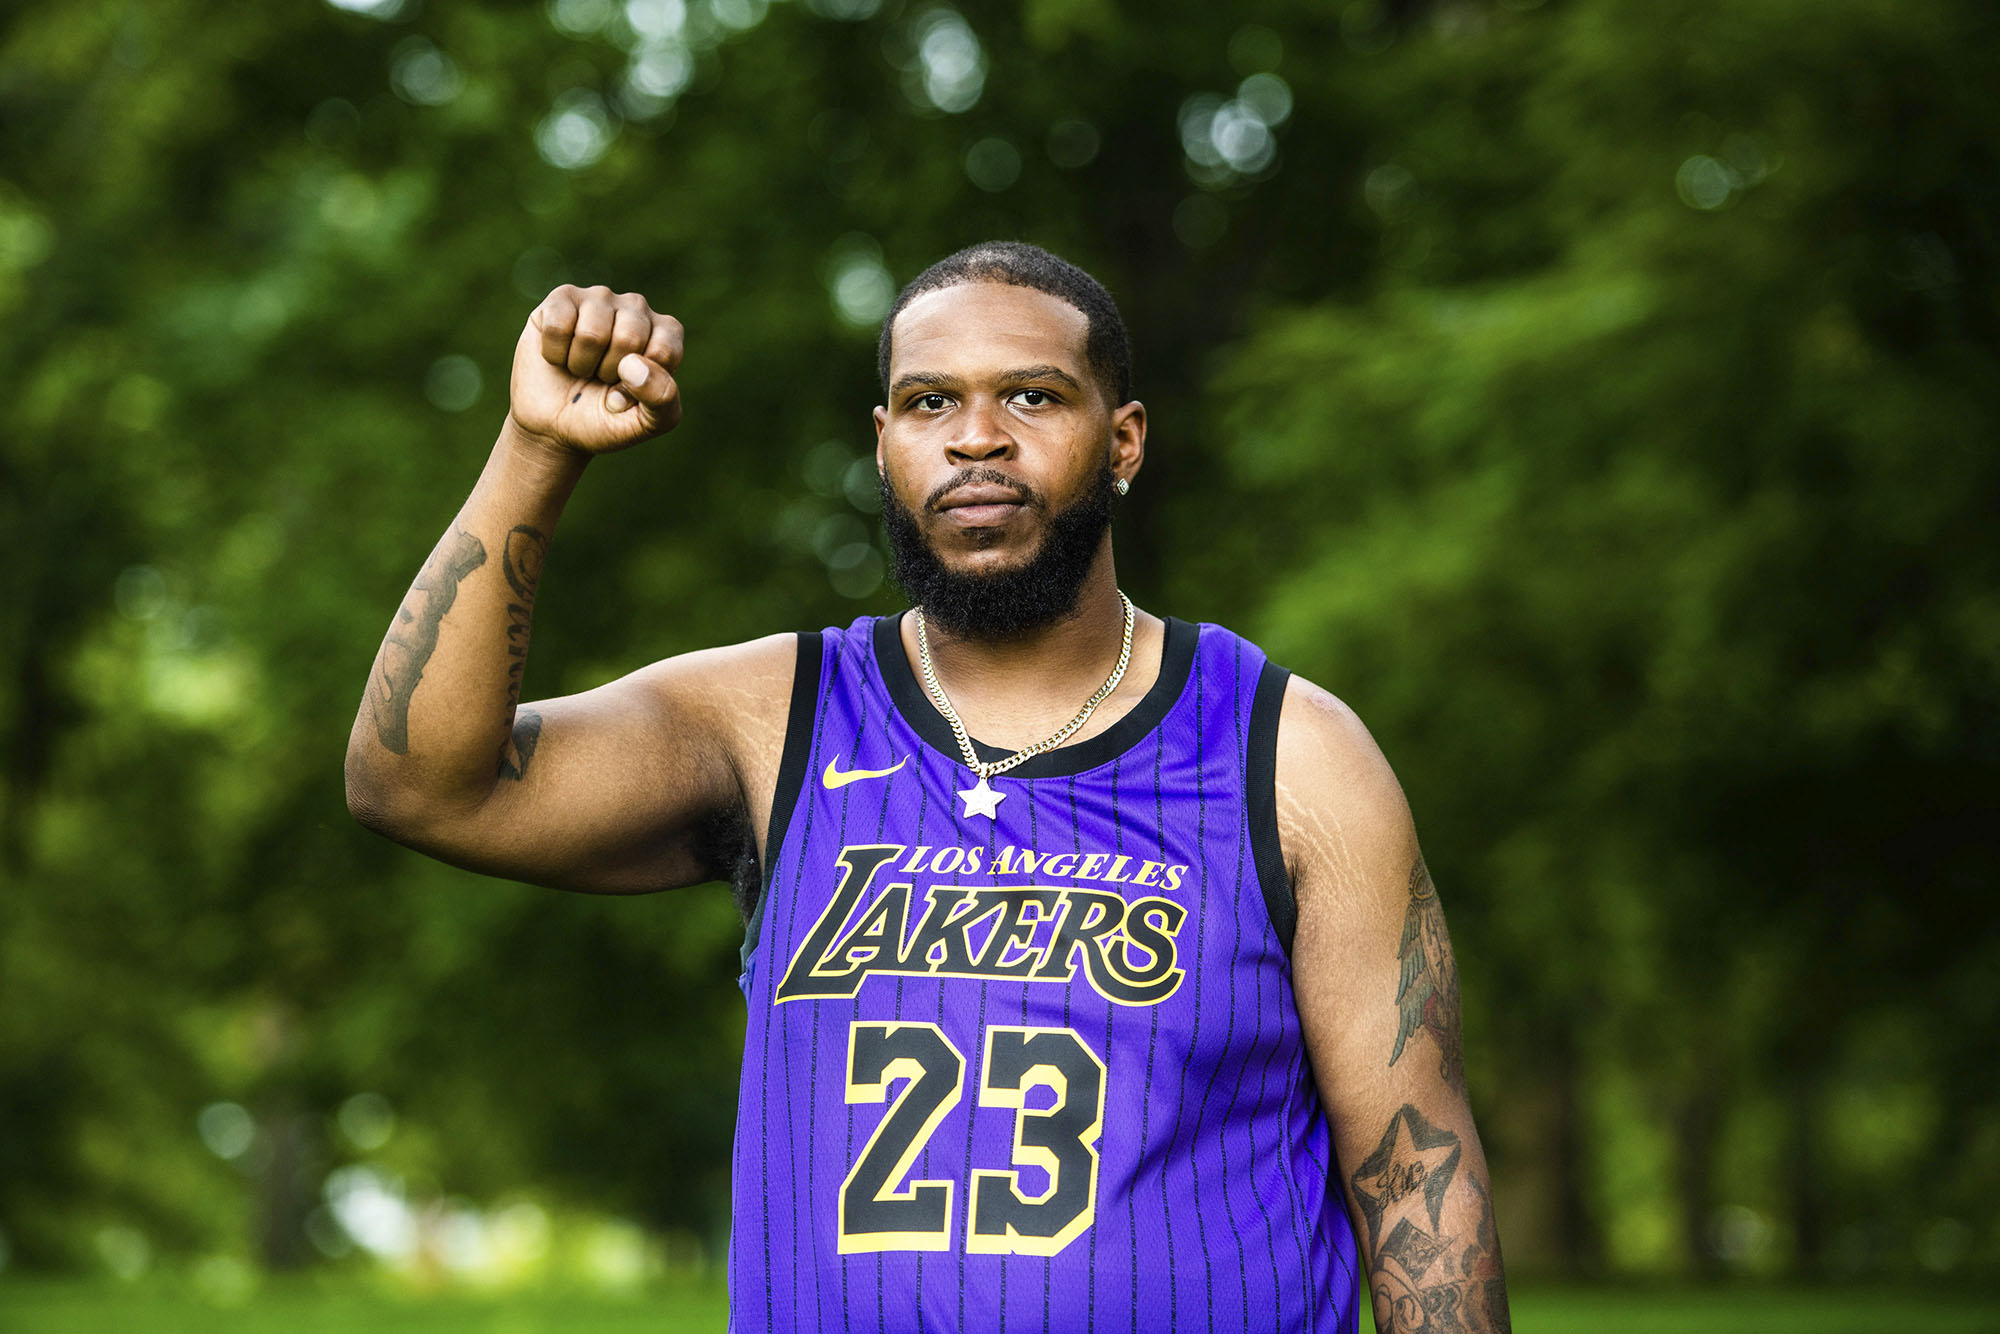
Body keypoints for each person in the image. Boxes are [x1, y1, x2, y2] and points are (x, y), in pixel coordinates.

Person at [345, 241, 1511, 1333]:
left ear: (1125, 439)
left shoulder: (1287, 752)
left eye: (1033, 396)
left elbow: (1417, 1181)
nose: (975, 438)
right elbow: (420, 784)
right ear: (883, 441)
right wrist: (535, 450)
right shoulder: (771, 716)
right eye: (929, 401)